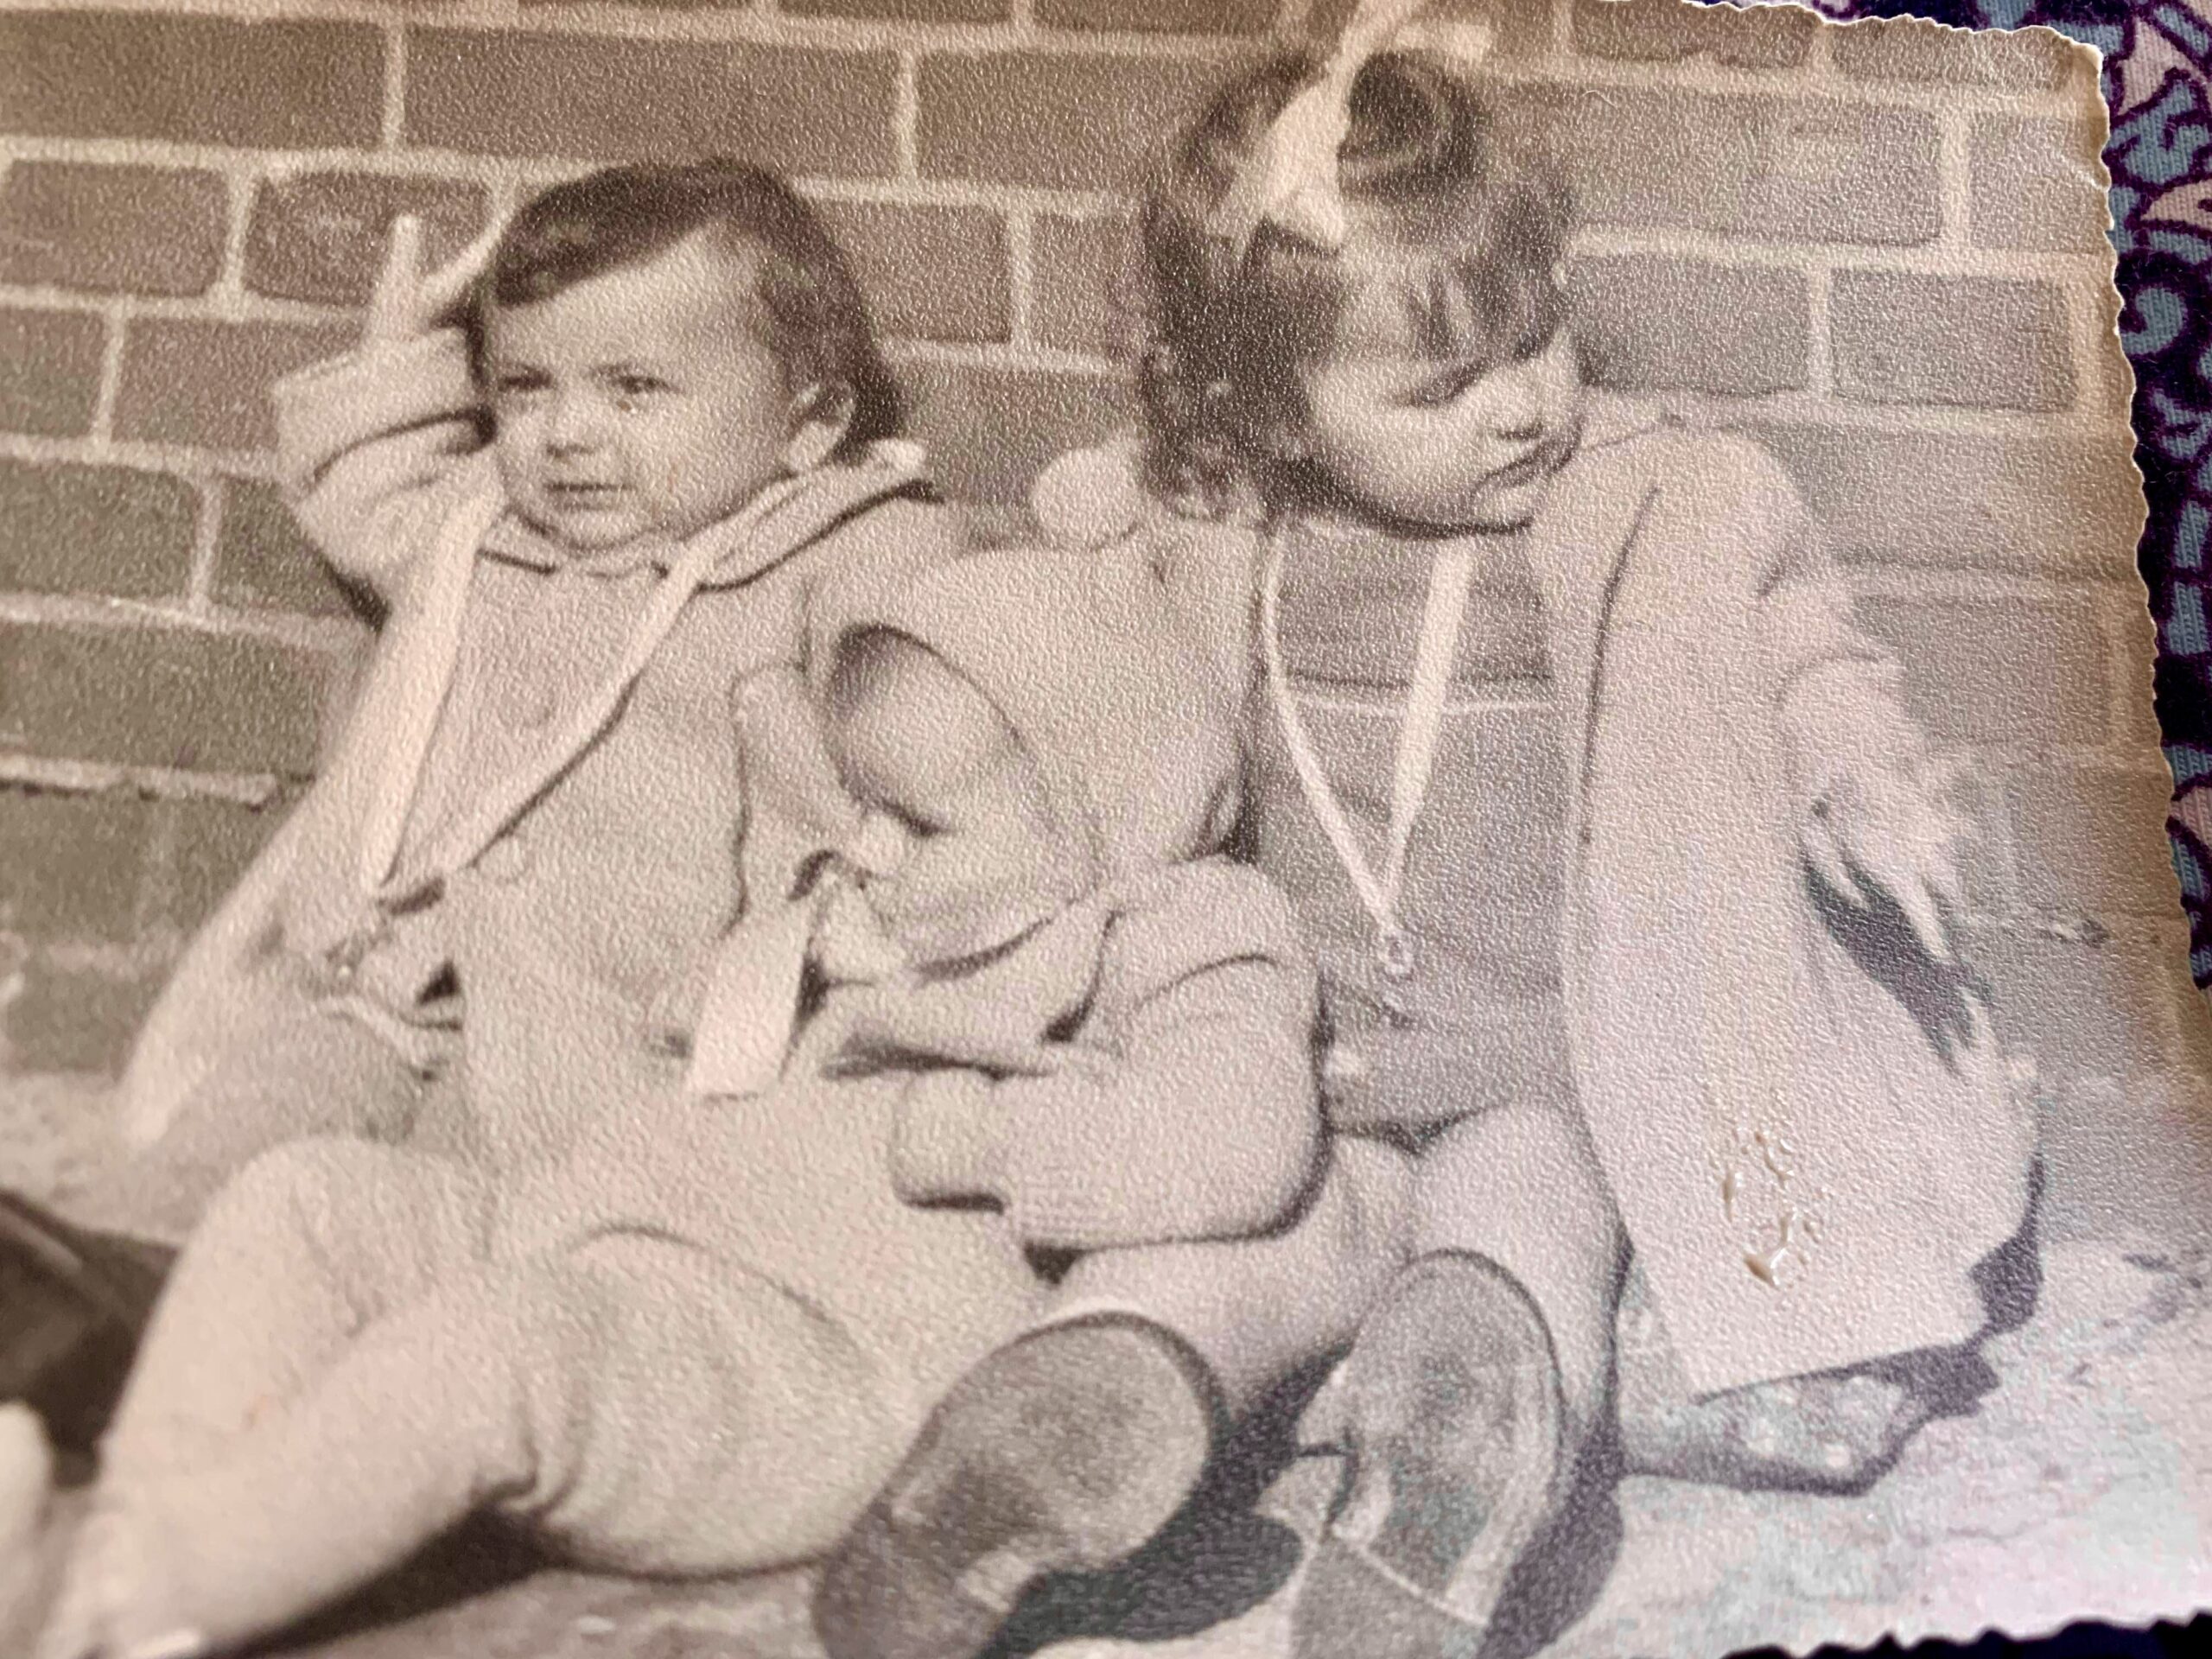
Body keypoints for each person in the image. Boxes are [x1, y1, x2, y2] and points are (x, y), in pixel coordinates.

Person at [816, 11, 2037, 1657]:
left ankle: (1456, 1450)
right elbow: (1037, 656)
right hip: (1301, 1043)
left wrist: (1859, 789)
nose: (1520, 407)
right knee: (1253, 1232)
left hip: (1553, 1043)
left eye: (1535, 342)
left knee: (1519, 1206)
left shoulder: (1671, 499)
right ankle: (1071, 1414)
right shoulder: (1203, 533)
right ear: (1280, 408)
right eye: (1440, 384)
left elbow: (1808, 661)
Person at [0, 533, 1325, 1659]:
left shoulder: (1177, 928)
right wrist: (788, 957)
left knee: (499, 1354)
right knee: (311, 1196)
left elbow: (1240, 1138)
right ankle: (154, 1521)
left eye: (916, 823)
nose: (865, 845)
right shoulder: (886, 910)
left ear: (1108, 812)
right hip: (609, 1244)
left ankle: (112, 1605)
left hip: (814, 1358)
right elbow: (690, 1024)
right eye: (862, 805)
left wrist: (972, 1134)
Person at [0, 157, 952, 1452]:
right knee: (235, 1150)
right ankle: (95, 1315)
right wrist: (404, 358)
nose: (564, 434)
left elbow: (947, 729)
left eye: (634, 390)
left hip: (616, 1061)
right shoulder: (485, 534)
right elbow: (373, 491)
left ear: (808, 422)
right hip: (395, 1000)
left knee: (459, 1277)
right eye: (525, 386)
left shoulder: (851, 559)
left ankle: (299, 1414)